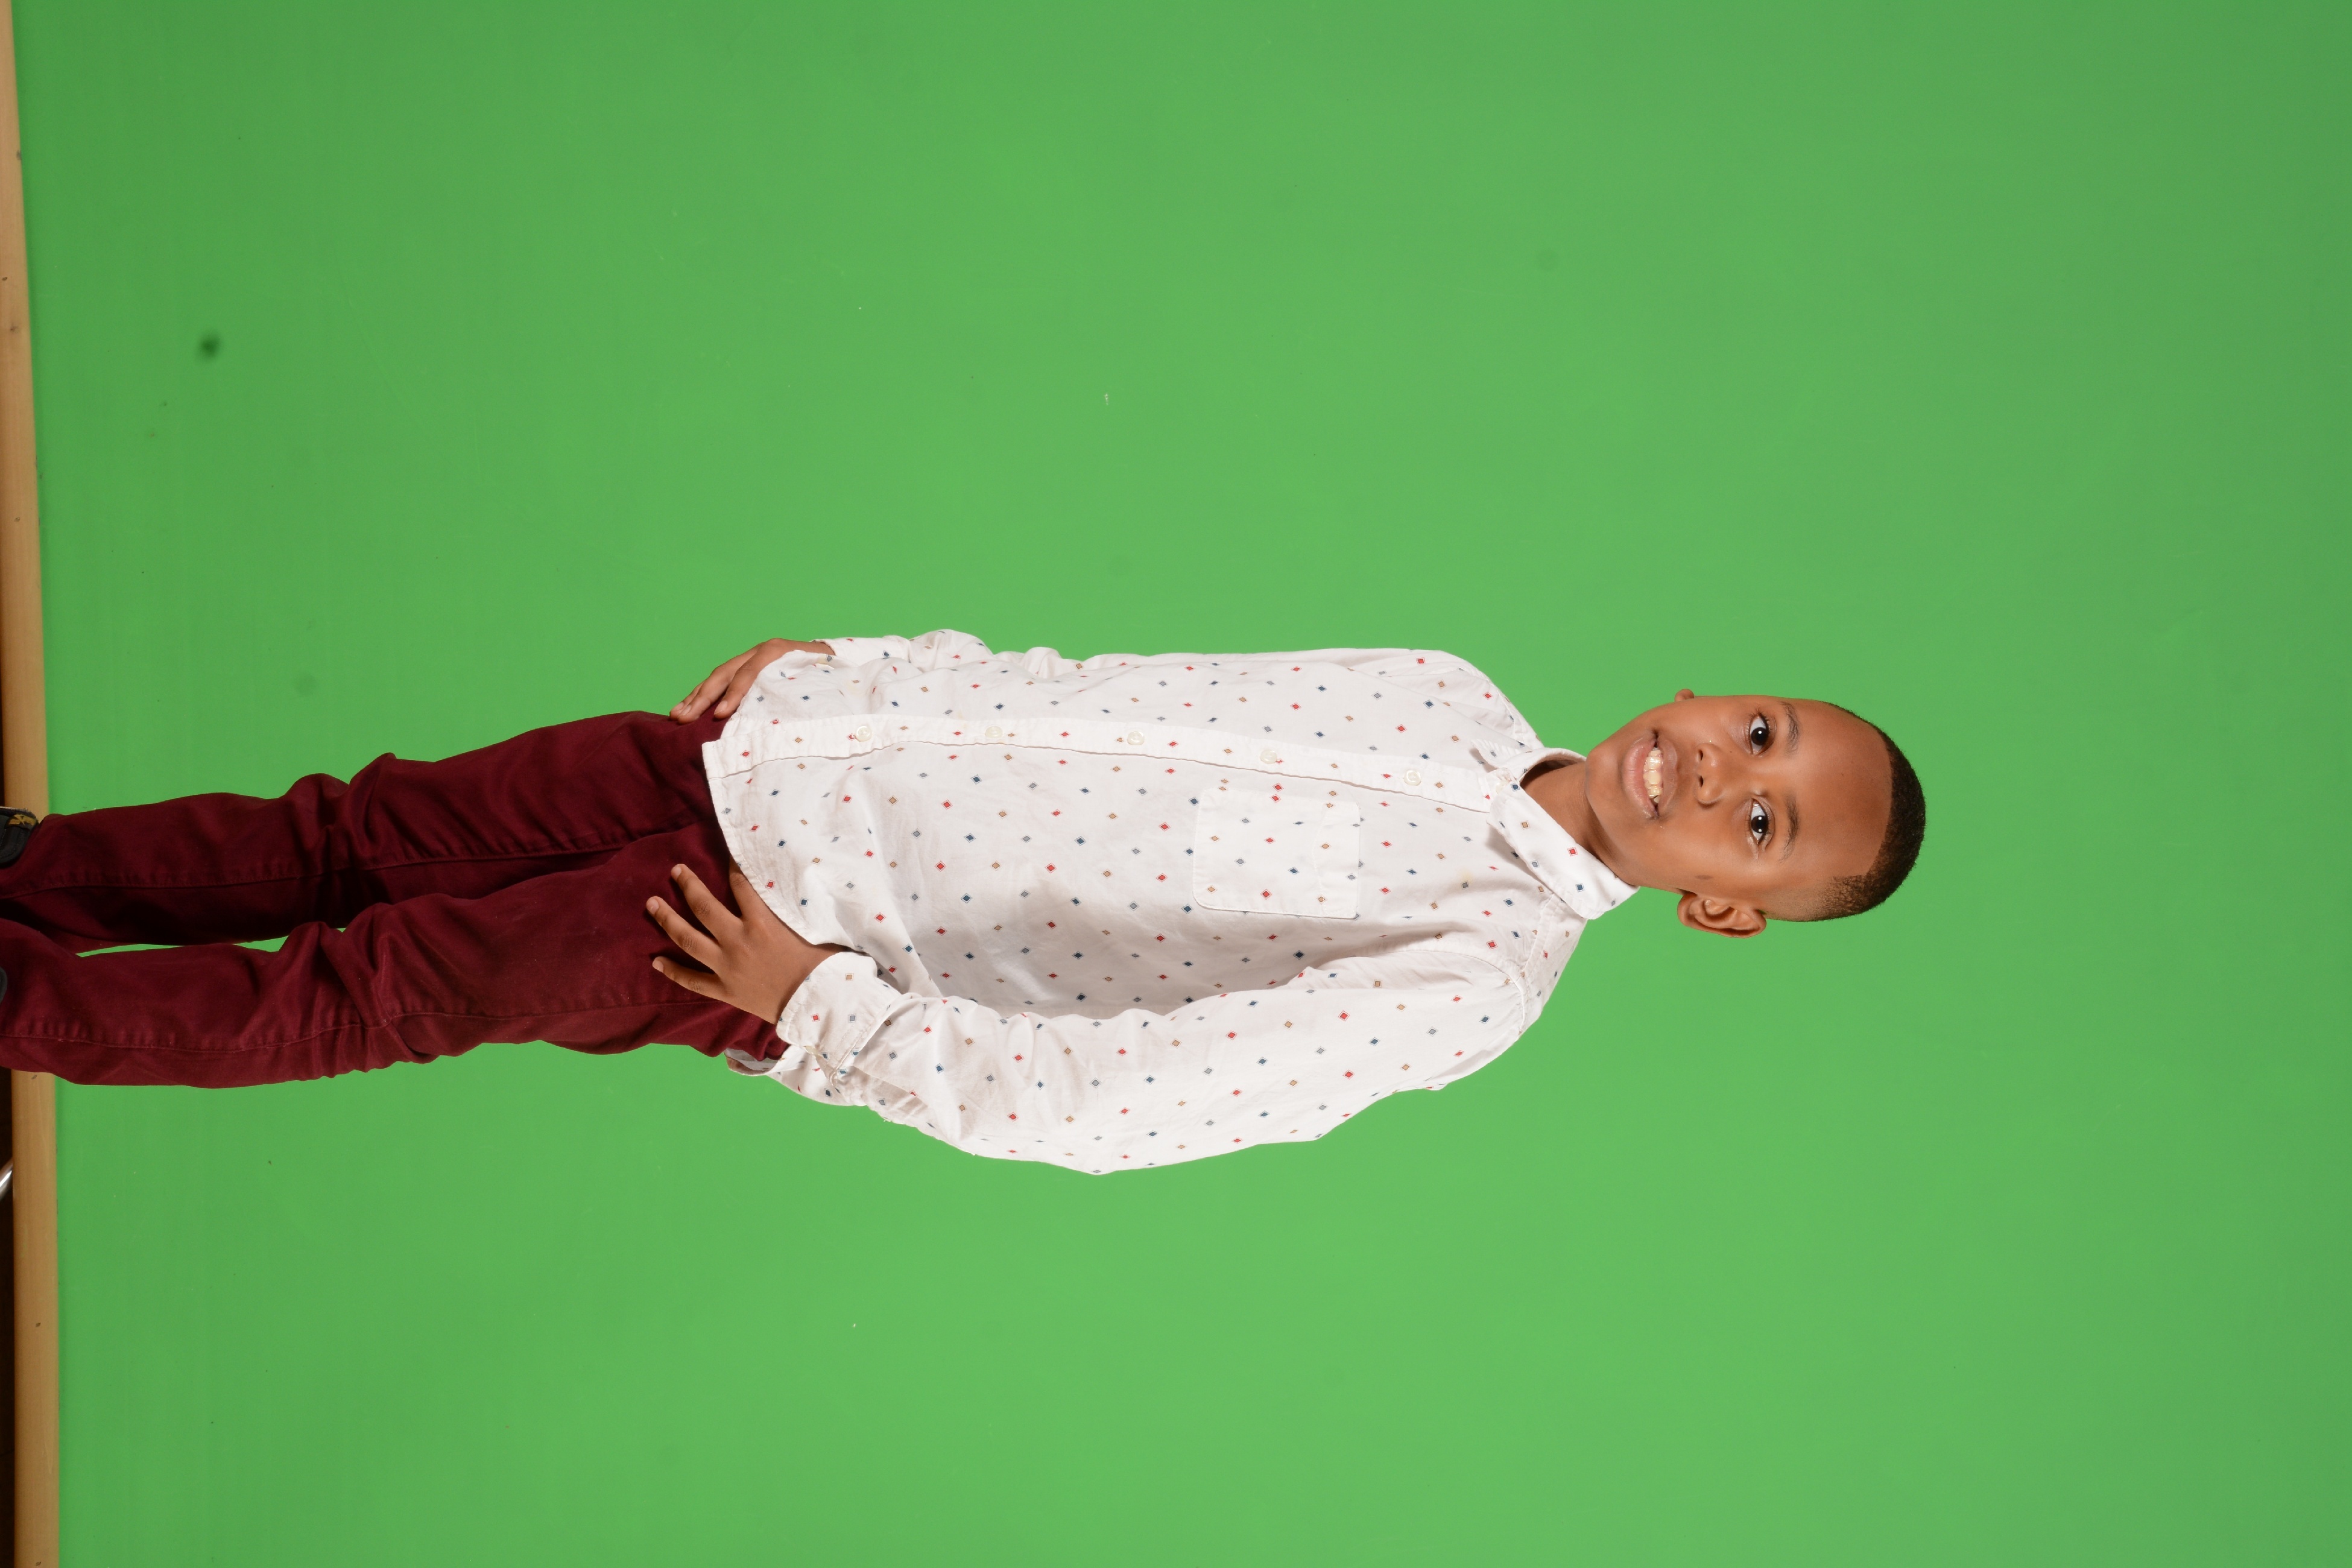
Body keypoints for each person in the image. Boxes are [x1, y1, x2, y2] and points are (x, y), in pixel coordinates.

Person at [0, 630, 1924, 1173]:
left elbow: (1127, 1107)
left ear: (1721, 912)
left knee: (364, 984)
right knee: (353, 830)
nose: (1715, 775)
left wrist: (815, 1003)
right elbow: (1098, 697)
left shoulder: (1474, 978)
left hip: (772, 927)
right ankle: (28, 873)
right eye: (1754, 732)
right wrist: (857, 668)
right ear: (1716, 686)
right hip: (757, 753)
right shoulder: (1442, 690)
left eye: (1760, 826)